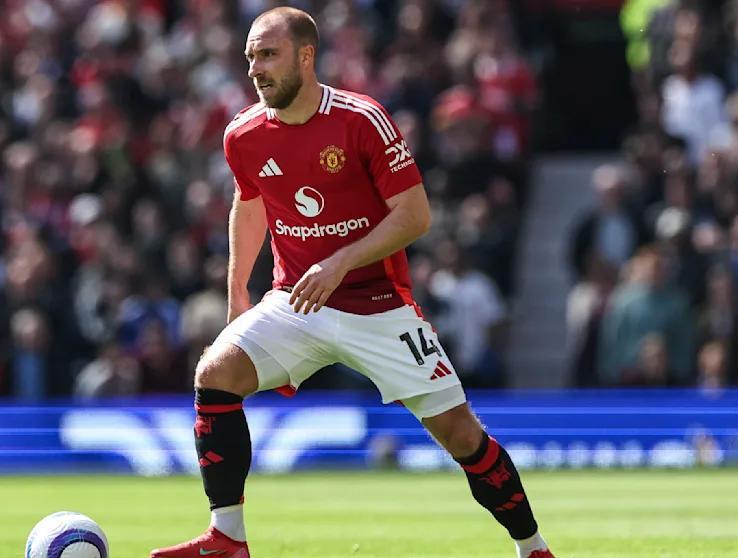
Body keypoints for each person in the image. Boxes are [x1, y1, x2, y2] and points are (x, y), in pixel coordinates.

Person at [151, 8, 553, 558]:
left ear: (305, 56)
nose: (255, 69)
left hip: (378, 307)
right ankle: (228, 538)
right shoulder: (243, 134)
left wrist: (340, 262)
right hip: (295, 301)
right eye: (250, 58)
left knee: (462, 435)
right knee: (215, 373)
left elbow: (415, 216)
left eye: (267, 55)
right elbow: (250, 203)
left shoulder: (362, 120)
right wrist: (237, 291)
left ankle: (533, 547)